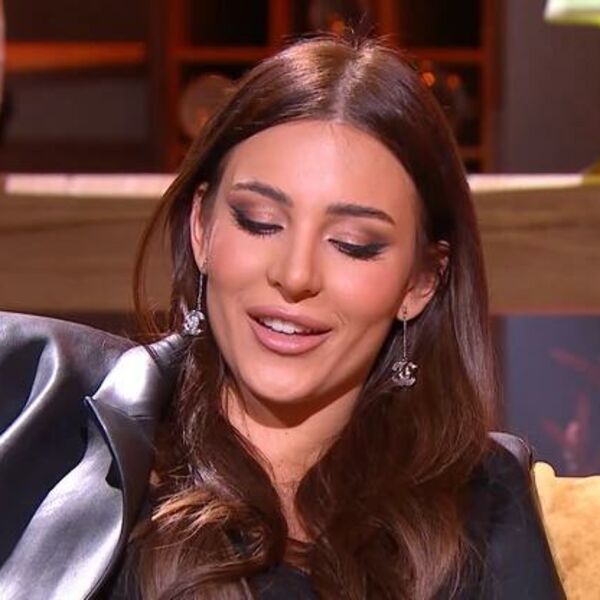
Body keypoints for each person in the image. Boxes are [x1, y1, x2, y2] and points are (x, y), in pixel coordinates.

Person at [0, 34, 564, 599]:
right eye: (259, 221)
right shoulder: (44, 407)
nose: (295, 275)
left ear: (421, 282)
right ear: (202, 228)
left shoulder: (483, 504)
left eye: (353, 244)